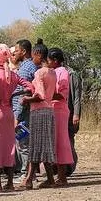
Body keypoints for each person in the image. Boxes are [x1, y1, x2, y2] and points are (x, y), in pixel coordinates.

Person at [0, 45, 33, 192]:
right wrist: (16, 95)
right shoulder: (12, 74)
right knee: (9, 146)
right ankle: (10, 182)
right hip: (8, 112)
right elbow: (30, 86)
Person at [20, 39, 58, 189]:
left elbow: (40, 95)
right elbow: (52, 94)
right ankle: (49, 178)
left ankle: (28, 179)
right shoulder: (52, 73)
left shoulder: (40, 72)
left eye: (33, 56)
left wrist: (26, 99)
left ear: (37, 54)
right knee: (46, 145)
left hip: (39, 111)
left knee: (36, 145)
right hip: (49, 110)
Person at [47, 48, 74, 186]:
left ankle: (62, 176)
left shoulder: (62, 72)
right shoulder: (53, 72)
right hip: (52, 109)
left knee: (60, 142)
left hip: (59, 109)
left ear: (55, 60)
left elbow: (61, 94)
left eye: (49, 60)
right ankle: (56, 175)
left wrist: (45, 94)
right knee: (54, 142)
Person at [12, 39, 37, 181]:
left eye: (17, 50)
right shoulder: (26, 67)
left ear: (24, 51)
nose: (15, 52)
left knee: (23, 143)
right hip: (23, 111)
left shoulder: (26, 69)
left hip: (22, 112)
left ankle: (27, 174)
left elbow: (25, 93)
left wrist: (18, 115)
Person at [66, 67, 82, 176]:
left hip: (70, 113)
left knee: (69, 139)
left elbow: (77, 97)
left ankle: (71, 165)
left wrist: (76, 114)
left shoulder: (72, 75)